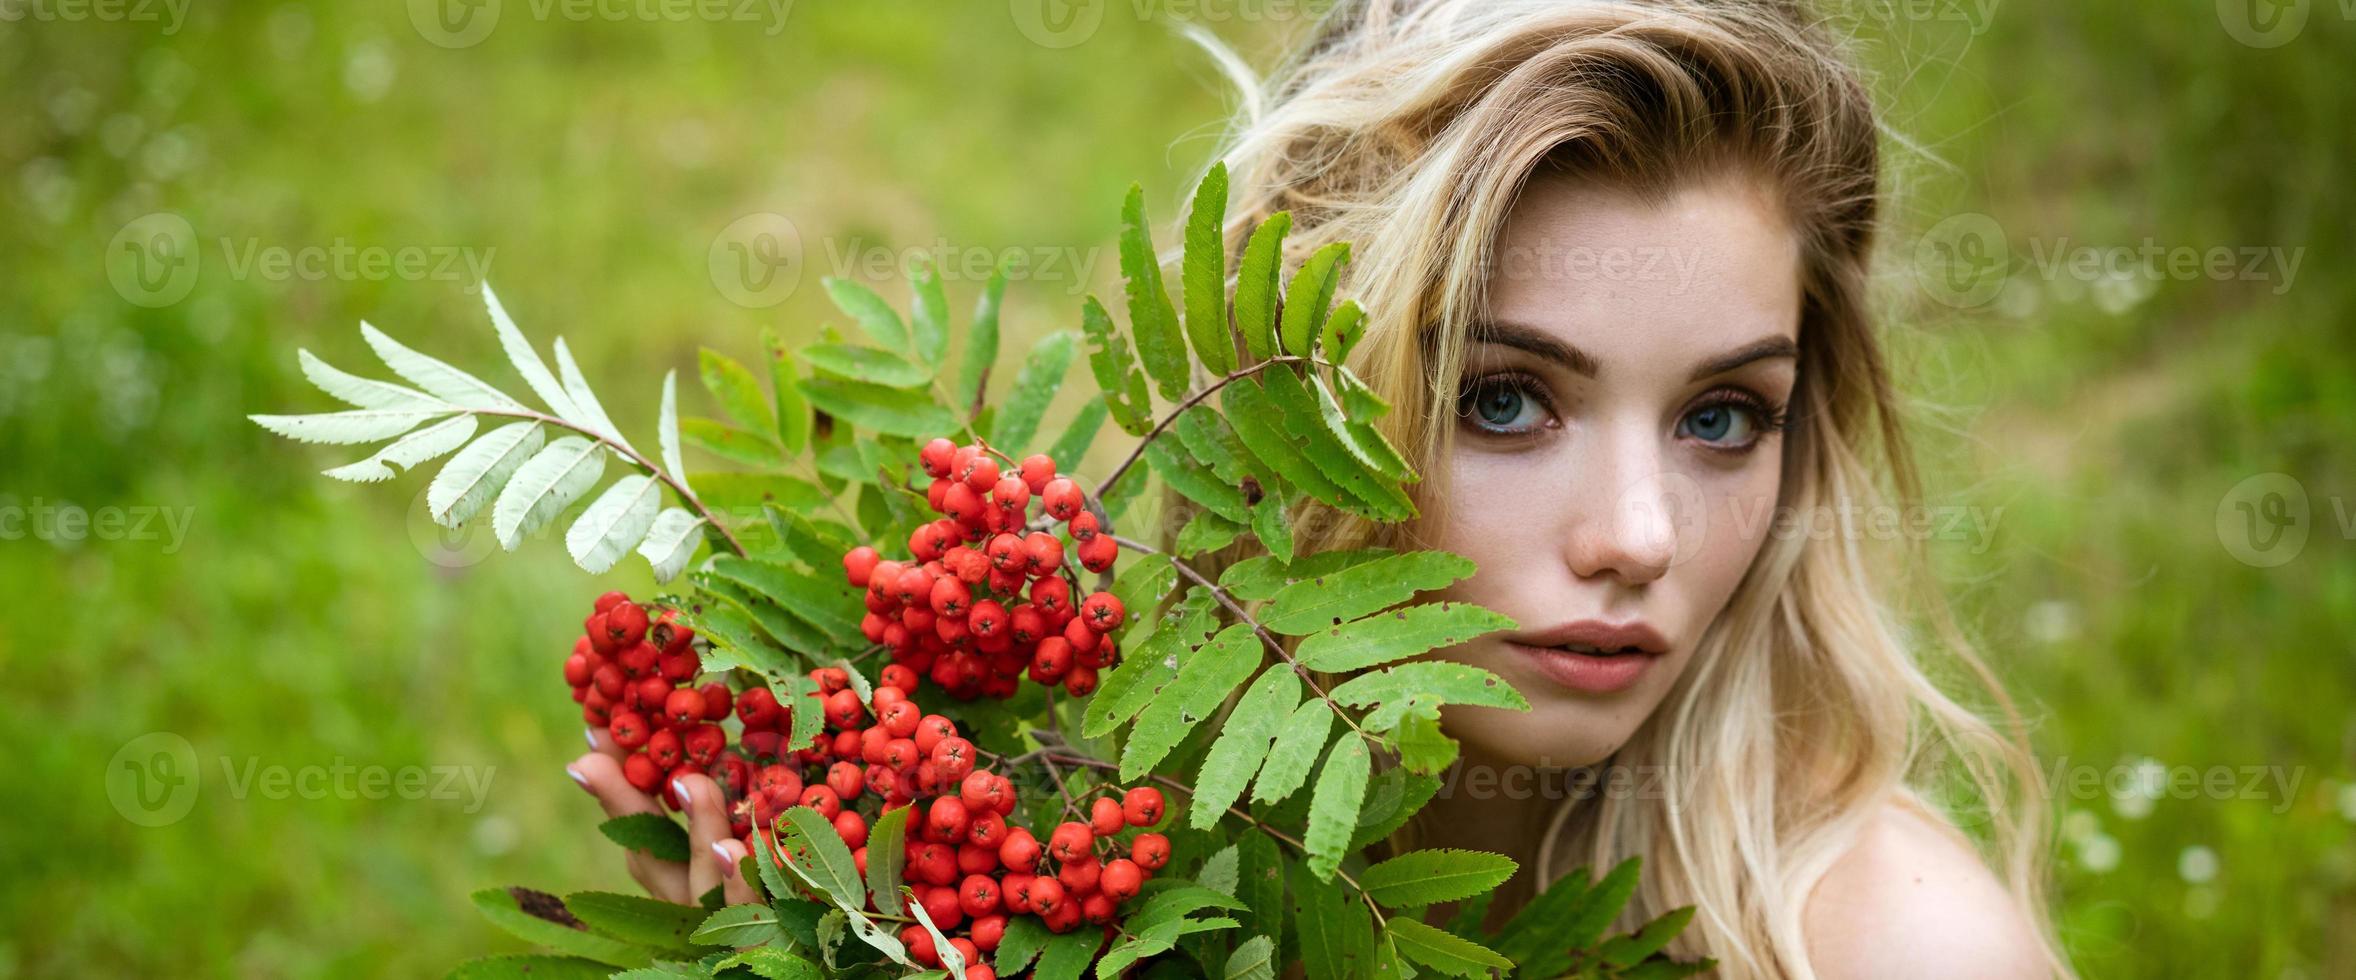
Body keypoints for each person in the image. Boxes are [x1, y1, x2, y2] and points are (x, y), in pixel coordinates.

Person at [572, 1, 2070, 975]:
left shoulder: (1890, 947)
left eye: (1725, 418)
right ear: (1289, 393)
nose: (1636, 537)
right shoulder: (1110, 860)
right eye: (1504, 400)